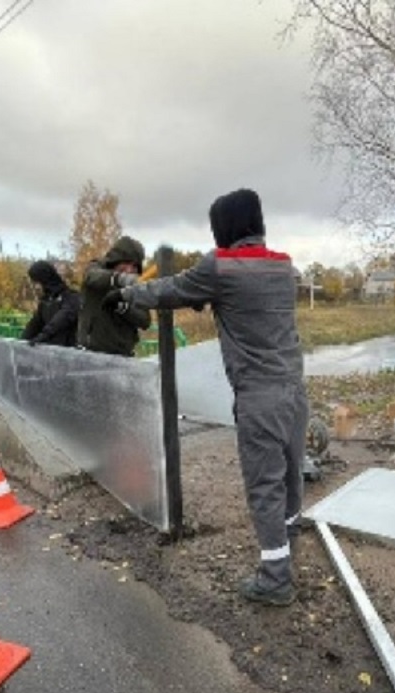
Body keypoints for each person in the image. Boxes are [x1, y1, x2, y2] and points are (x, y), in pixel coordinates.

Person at [111, 188, 308, 606]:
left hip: (259, 396)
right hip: (294, 390)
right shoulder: (284, 268)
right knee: (290, 473)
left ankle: (275, 579)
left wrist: (128, 288)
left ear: (225, 226)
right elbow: (241, 300)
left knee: (264, 485)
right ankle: (288, 538)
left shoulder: (219, 268)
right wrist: (210, 298)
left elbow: (166, 291)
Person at [78, 236, 152, 355]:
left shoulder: (134, 289)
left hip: (123, 355)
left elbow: (145, 321)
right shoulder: (95, 269)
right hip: (92, 353)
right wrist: (119, 279)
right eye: (126, 263)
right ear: (116, 260)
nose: (129, 270)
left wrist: (123, 308)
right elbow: (92, 277)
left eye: (134, 266)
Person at [22, 260, 80, 347]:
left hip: (68, 352)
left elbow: (60, 320)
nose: (35, 287)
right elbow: (35, 324)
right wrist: (22, 341)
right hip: (50, 353)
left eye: (36, 283)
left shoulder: (71, 298)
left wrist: (43, 336)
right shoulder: (45, 302)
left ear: (45, 280)